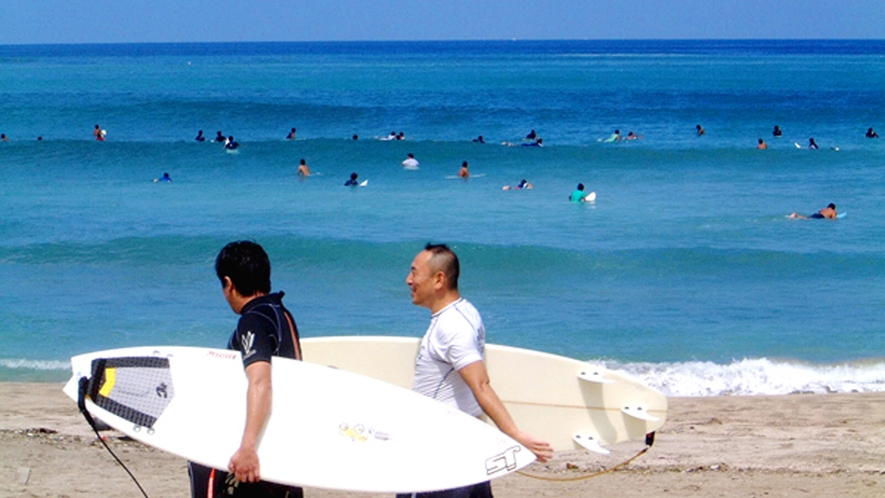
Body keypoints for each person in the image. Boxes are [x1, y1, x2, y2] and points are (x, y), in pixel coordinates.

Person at [399, 244, 553, 498]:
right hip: (466, 448)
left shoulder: (452, 326)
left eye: (414, 273)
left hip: (441, 455)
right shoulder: (465, 312)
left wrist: (513, 434)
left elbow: (480, 383)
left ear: (439, 279)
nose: (408, 280)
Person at [188, 241, 303, 498]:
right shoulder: (281, 314)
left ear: (228, 283)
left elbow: (261, 381)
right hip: (282, 448)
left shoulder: (253, 320)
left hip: (255, 452)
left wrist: (248, 447)